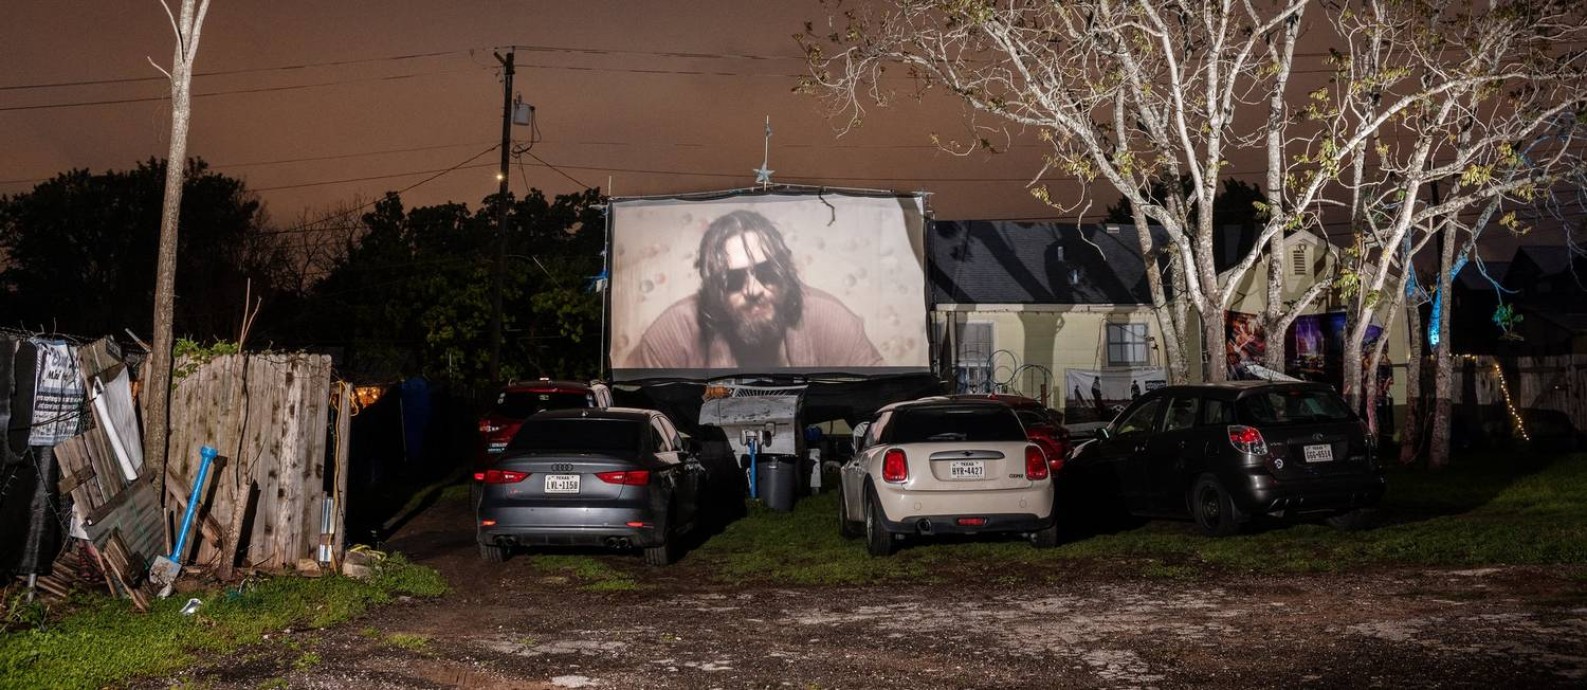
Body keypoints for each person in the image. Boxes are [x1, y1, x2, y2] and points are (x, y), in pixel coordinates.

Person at [624, 209, 883, 370]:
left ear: (787, 272)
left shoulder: (832, 320)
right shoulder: (671, 335)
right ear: (713, 291)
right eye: (734, 280)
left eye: (766, 272)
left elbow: (882, 400)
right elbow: (636, 409)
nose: (753, 289)